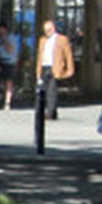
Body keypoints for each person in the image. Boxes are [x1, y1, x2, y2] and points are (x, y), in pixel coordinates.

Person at [32, 18, 75, 150]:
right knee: (42, 90)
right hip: (45, 67)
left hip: (54, 68)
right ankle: (48, 110)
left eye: (49, 29)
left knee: (52, 90)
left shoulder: (62, 39)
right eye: (45, 30)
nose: (47, 32)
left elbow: (68, 54)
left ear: (54, 28)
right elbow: (39, 55)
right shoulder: (42, 40)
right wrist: (38, 70)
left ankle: (50, 112)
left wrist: (69, 70)